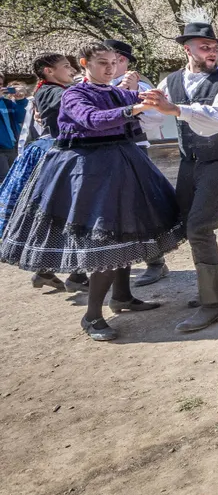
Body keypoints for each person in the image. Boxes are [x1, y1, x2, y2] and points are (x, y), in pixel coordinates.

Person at [0, 42, 183, 340]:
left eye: (113, 62)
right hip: (89, 172)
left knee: (127, 231)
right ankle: (92, 316)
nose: (109, 68)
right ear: (85, 63)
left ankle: (122, 296)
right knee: (105, 238)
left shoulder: (113, 91)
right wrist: (134, 108)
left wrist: (155, 97)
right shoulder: (74, 93)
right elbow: (91, 119)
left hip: (123, 164)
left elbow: (136, 98)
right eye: (102, 62)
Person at [142, 20, 218, 333]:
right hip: (190, 162)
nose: (212, 51)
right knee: (188, 224)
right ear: (187, 49)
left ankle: (212, 303)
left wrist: (176, 110)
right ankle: (208, 289)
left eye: (215, 47)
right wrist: (133, 103)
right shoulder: (170, 80)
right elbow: (150, 115)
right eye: (205, 47)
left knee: (201, 227)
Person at [0, 54, 90, 293]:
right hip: (58, 156)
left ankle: (49, 271)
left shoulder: (52, 90)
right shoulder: (52, 92)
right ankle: (73, 274)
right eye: (65, 67)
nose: (71, 70)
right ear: (49, 71)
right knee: (68, 212)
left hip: (62, 154)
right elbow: (69, 103)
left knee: (62, 213)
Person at [103, 38, 172, 287]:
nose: (107, 66)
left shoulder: (140, 86)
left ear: (121, 60)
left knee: (139, 206)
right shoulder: (95, 85)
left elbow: (155, 120)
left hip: (133, 150)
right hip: (103, 154)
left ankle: (156, 262)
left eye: (110, 60)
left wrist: (127, 105)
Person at [0, 73, 29, 181]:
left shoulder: (7, 103)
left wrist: (20, 100)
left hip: (12, 146)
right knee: (3, 180)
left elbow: (20, 118)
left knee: (14, 178)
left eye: (1, 84)